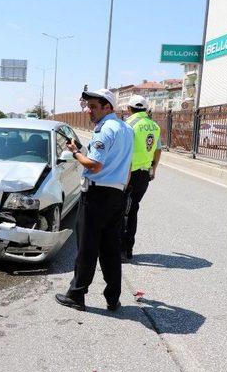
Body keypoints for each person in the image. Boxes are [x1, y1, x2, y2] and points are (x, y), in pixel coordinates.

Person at [55, 89, 134, 312]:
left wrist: (74, 154)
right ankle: (112, 298)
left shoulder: (104, 130)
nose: (89, 111)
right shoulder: (126, 130)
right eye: (88, 106)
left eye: (93, 107)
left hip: (96, 195)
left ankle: (77, 294)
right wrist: (80, 149)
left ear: (108, 107)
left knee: (87, 247)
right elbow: (125, 164)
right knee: (110, 249)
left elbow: (95, 166)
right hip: (116, 195)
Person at [121, 95, 161, 262]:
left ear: (129, 109)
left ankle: (118, 249)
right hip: (144, 175)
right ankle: (128, 249)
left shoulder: (128, 125)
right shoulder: (154, 126)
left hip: (127, 174)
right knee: (133, 210)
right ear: (146, 109)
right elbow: (158, 150)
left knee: (120, 211)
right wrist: (153, 169)